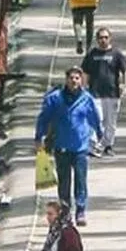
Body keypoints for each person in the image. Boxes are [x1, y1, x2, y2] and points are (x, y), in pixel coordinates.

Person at [35, 67, 103, 226]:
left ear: (81, 80)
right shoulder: (55, 99)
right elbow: (44, 118)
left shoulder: (87, 99)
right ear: (66, 79)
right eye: (71, 78)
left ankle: (81, 211)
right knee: (64, 182)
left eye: (77, 78)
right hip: (61, 147)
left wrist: (100, 134)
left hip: (80, 148)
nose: (74, 81)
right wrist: (39, 137)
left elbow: (94, 117)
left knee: (81, 180)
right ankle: (65, 212)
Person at [80, 27, 126, 157]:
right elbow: (85, 72)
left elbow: (125, 71)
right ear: (97, 39)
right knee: (97, 119)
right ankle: (94, 145)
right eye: (101, 38)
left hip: (112, 93)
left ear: (110, 38)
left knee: (110, 122)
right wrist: (83, 89)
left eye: (106, 37)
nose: (103, 40)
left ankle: (108, 145)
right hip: (94, 93)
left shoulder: (116, 54)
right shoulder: (92, 54)